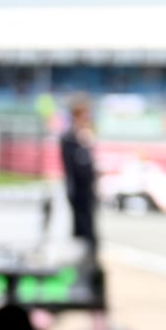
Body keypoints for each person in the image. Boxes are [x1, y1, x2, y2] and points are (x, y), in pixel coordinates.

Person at [59, 93, 99, 256]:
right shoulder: (69, 137)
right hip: (77, 188)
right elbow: (74, 165)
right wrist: (82, 144)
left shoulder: (86, 135)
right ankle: (82, 254)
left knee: (89, 222)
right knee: (80, 223)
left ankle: (90, 252)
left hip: (88, 188)